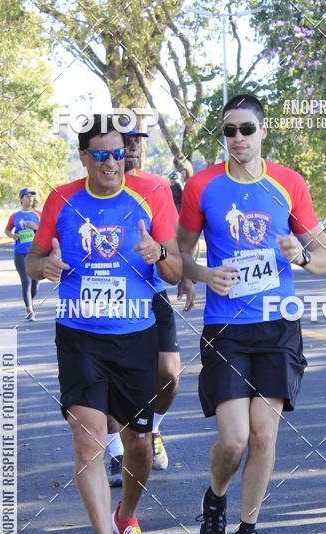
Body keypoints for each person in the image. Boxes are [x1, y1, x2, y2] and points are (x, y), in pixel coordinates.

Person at [178, 92, 326, 534]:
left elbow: (325, 258)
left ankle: (248, 529)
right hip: (226, 326)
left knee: (264, 437)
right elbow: (178, 254)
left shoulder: (288, 183)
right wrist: (203, 275)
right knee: (234, 439)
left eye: (247, 129)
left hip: (277, 326)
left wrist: (301, 255)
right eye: (229, 131)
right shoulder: (202, 186)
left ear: (263, 131)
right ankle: (216, 495)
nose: (238, 138)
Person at [27, 115, 182, 534]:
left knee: (137, 445)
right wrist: (44, 266)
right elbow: (34, 260)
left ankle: (127, 515)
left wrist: (159, 255)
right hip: (78, 335)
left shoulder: (151, 194)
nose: (113, 162)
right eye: (101, 154)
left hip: (136, 334)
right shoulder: (61, 198)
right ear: (84, 157)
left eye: (118, 153)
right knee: (88, 436)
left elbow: (175, 269)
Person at [105, 124, 195, 487]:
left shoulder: (157, 186)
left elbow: (174, 240)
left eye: (137, 143)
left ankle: (153, 428)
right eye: (125, 143)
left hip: (152, 290)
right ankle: (114, 452)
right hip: (111, 296)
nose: (132, 150)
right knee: (113, 378)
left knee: (169, 373)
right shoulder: (95, 189)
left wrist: (186, 275)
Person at [5, 188, 40, 320]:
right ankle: (30, 310)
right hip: (20, 253)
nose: (30, 198)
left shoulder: (38, 214)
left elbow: (48, 231)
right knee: (26, 281)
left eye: (32, 196)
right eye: (27, 196)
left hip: (36, 253)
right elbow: (7, 230)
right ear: (21, 199)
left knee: (35, 283)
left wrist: (36, 227)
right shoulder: (15, 215)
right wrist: (13, 235)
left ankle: (30, 302)